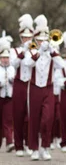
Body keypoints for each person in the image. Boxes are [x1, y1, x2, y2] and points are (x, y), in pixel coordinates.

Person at [22, 15, 65, 161]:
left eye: (44, 40)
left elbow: (61, 65)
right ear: (35, 40)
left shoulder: (52, 52)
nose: (42, 42)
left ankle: (45, 147)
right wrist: (40, 52)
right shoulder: (32, 51)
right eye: (39, 40)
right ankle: (34, 148)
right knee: (34, 119)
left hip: (48, 89)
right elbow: (27, 63)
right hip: (34, 88)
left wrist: (52, 51)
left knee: (48, 119)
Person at [10, 14, 35, 157]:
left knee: (30, 116)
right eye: (24, 37)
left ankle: (30, 143)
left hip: (32, 84)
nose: (26, 40)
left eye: (29, 37)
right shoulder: (15, 51)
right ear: (21, 38)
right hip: (19, 84)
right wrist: (24, 51)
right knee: (18, 114)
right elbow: (14, 64)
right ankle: (18, 145)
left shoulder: (35, 50)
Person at [0, 36, 15, 152]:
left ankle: (10, 142)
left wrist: (12, 80)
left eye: (7, 58)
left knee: (8, 120)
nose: (5, 60)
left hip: (9, 97)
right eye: (3, 57)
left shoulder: (12, 68)